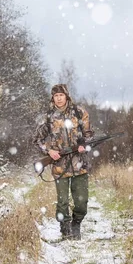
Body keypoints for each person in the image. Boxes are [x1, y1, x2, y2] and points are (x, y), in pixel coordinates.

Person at [33, 84, 94, 240]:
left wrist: (84, 145)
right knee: (62, 202)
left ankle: (76, 224)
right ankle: (65, 229)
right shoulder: (48, 117)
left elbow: (89, 135)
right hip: (59, 166)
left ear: (67, 96)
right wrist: (49, 151)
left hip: (80, 164)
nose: (59, 98)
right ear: (52, 98)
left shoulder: (79, 113)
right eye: (56, 96)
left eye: (61, 95)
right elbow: (37, 139)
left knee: (81, 202)